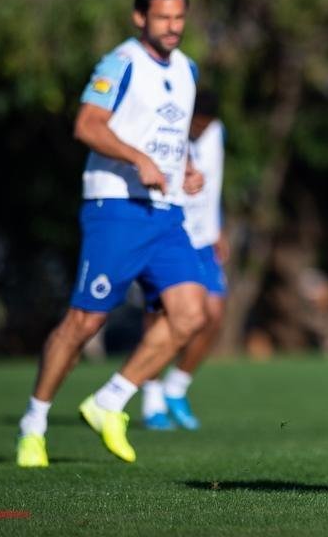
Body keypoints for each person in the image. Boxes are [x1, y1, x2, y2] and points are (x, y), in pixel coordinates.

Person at [16, 0, 209, 467]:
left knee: (191, 314)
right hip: (117, 207)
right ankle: (34, 424)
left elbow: (171, 133)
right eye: (162, 17)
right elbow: (87, 125)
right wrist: (137, 159)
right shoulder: (120, 63)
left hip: (166, 213)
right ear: (140, 17)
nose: (172, 27)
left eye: (179, 17)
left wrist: (186, 168)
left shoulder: (187, 69)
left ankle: (110, 400)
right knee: (85, 321)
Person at [142, 91, 228, 431]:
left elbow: (215, 182)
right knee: (161, 316)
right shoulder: (165, 129)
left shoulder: (218, 133)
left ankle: (176, 387)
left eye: (206, 125)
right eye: (197, 124)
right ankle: (151, 399)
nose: (201, 130)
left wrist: (217, 227)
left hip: (204, 238)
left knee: (214, 315)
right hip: (170, 232)